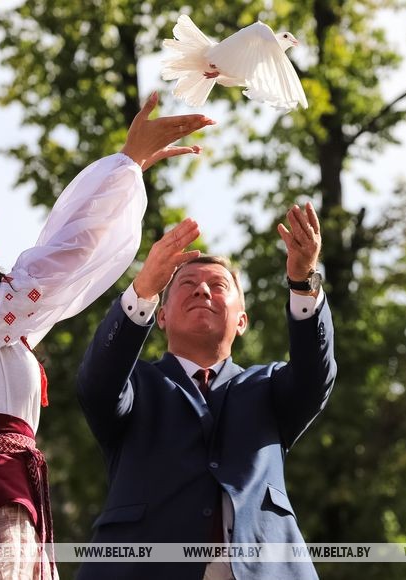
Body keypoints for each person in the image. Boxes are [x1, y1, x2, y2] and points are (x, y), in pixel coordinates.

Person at [0, 92, 215, 580]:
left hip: (0, 512)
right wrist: (123, 167)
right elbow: (52, 269)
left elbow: (57, 274)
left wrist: (124, 175)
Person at [76, 203, 337, 580]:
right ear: (160, 316)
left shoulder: (271, 387)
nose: (202, 290)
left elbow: (317, 374)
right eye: (186, 284)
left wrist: (303, 281)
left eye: (218, 286)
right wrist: (145, 287)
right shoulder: (134, 385)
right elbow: (97, 383)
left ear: (242, 321)